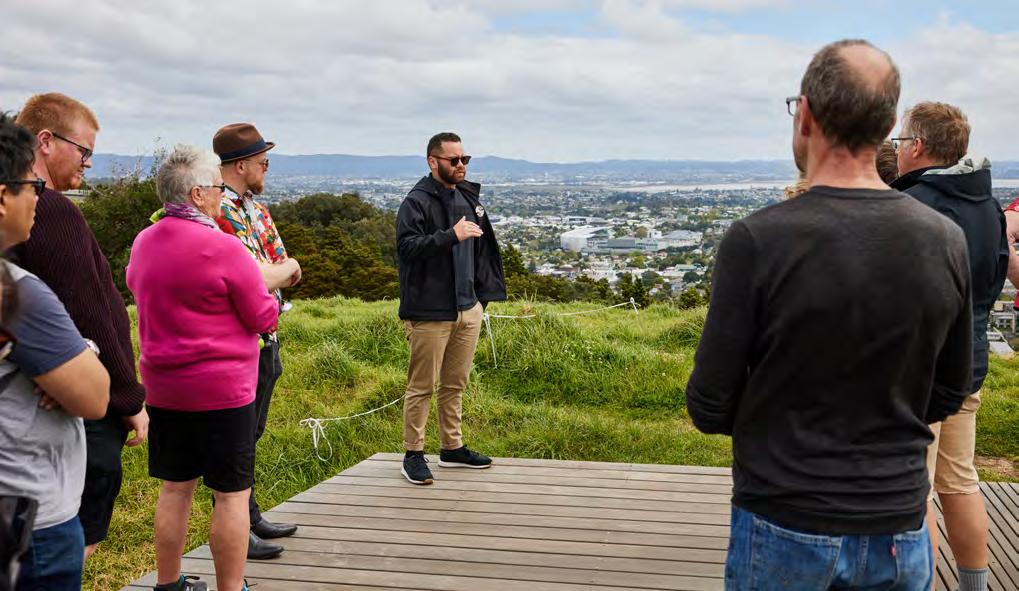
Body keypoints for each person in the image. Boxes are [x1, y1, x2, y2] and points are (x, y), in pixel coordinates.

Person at [686, 39, 974, 590]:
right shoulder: (944, 239)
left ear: (806, 116)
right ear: (888, 124)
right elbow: (948, 391)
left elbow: (709, 403)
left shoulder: (759, 240)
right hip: (899, 522)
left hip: (785, 514)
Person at [127, 145, 279, 591]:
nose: (220, 195)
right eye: (215, 187)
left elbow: (136, 286)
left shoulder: (143, 242)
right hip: (223, 391)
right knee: (231, 496)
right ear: (196, 194)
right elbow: (262, 316)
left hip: (164, 388)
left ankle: (169, 583)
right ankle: (232, 586)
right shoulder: (224, 247)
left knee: (175, 489)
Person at [11, 93, 148, 560]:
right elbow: (87, 310)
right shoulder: (52, 210)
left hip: (43, 393)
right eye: (84, 151)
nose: (88, 163)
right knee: (74, 539)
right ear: (46, 141)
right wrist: (126, 398)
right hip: (80, 400)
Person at [891, 101, 1008, 591]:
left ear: (917, 146)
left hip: (919, 374)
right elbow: (994, 278)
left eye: (900, 141)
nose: (897, 150)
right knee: (959, 481)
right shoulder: (987, 205)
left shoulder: (914, 207)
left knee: (913, 494)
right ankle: (974, 586)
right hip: (969, 363)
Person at [0, 112, 110, 590]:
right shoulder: (16, 295)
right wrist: (81, 351)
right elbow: (93, 396)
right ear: (2, 197)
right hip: (28, 516)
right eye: (32, 187)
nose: (38, 198)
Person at [395, 132, 506, 485]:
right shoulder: (416, 202)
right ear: (433, 162)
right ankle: (413, 454)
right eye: (453, 160)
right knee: (422, 386)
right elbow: (407, 248)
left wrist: (479, 302)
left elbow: (484, 253)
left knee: (455, 384)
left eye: (465, 159)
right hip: (429, 312)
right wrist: (451, 236)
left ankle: (452, 448)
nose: (461, 165)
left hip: (467, 308)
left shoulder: (468, 197)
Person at [213, 123, 300, 560]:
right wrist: (277, 272)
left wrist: (277, 272)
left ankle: (248, 514)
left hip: (269, 333)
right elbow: (254, 275)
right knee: (237, 437)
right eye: (263, 161)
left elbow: (284, 265)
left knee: (253, 432)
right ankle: (235, 526)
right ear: (241, 165)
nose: (267, 167)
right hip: (240, 337)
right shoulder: (218, 211)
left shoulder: (256, 209)